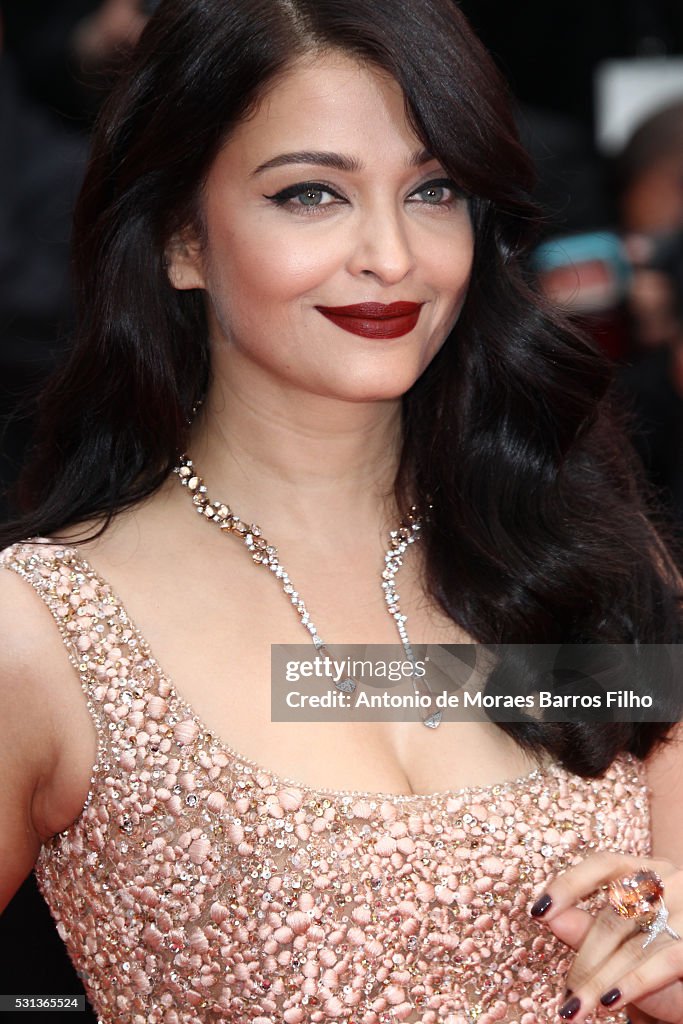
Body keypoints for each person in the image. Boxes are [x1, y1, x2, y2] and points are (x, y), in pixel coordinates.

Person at [1, 1, 682, 1022]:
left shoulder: (584, 562)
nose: (390, 255)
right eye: (310, 193)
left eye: (431, 189)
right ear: (181, 238)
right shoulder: (43, 633)